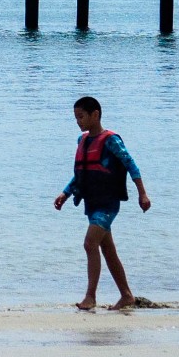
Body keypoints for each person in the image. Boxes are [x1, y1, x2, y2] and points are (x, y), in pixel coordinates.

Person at [54, 95, 151, 311]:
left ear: (95, 114)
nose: (78, 121)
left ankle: (90, 296)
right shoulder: (83, 141)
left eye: (81, 117)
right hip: (92, 202)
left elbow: (131, 165)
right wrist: (65, 193)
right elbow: (82, 172)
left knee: (89, 244)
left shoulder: (111, 140)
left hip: (108, 202)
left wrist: (142, 194)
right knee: (107, 249)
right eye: (75, 117)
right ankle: (126, 295)